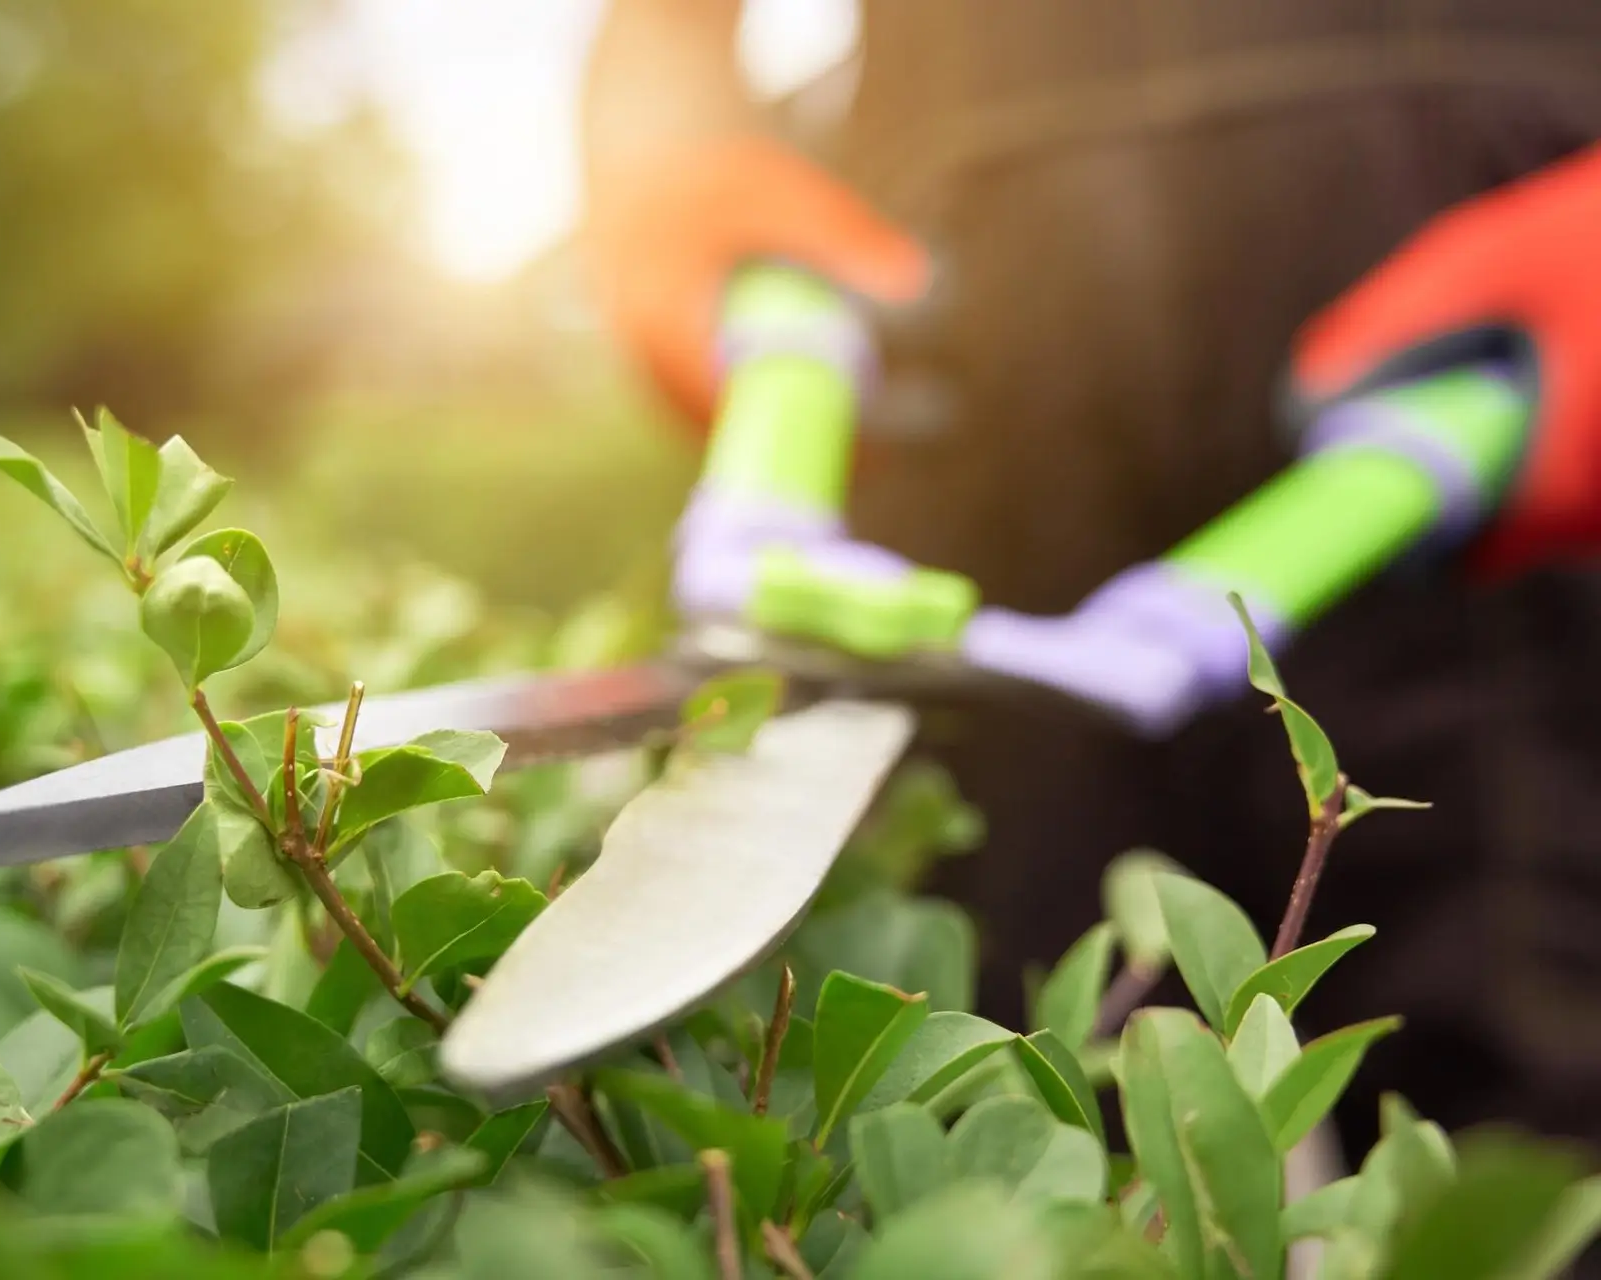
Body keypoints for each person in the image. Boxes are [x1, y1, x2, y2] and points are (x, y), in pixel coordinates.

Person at [578, 0, 1601, 1207]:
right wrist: (670, 141)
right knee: (978, 1150)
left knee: (1541, 1180)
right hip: (971, 334)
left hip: (1488, 260)